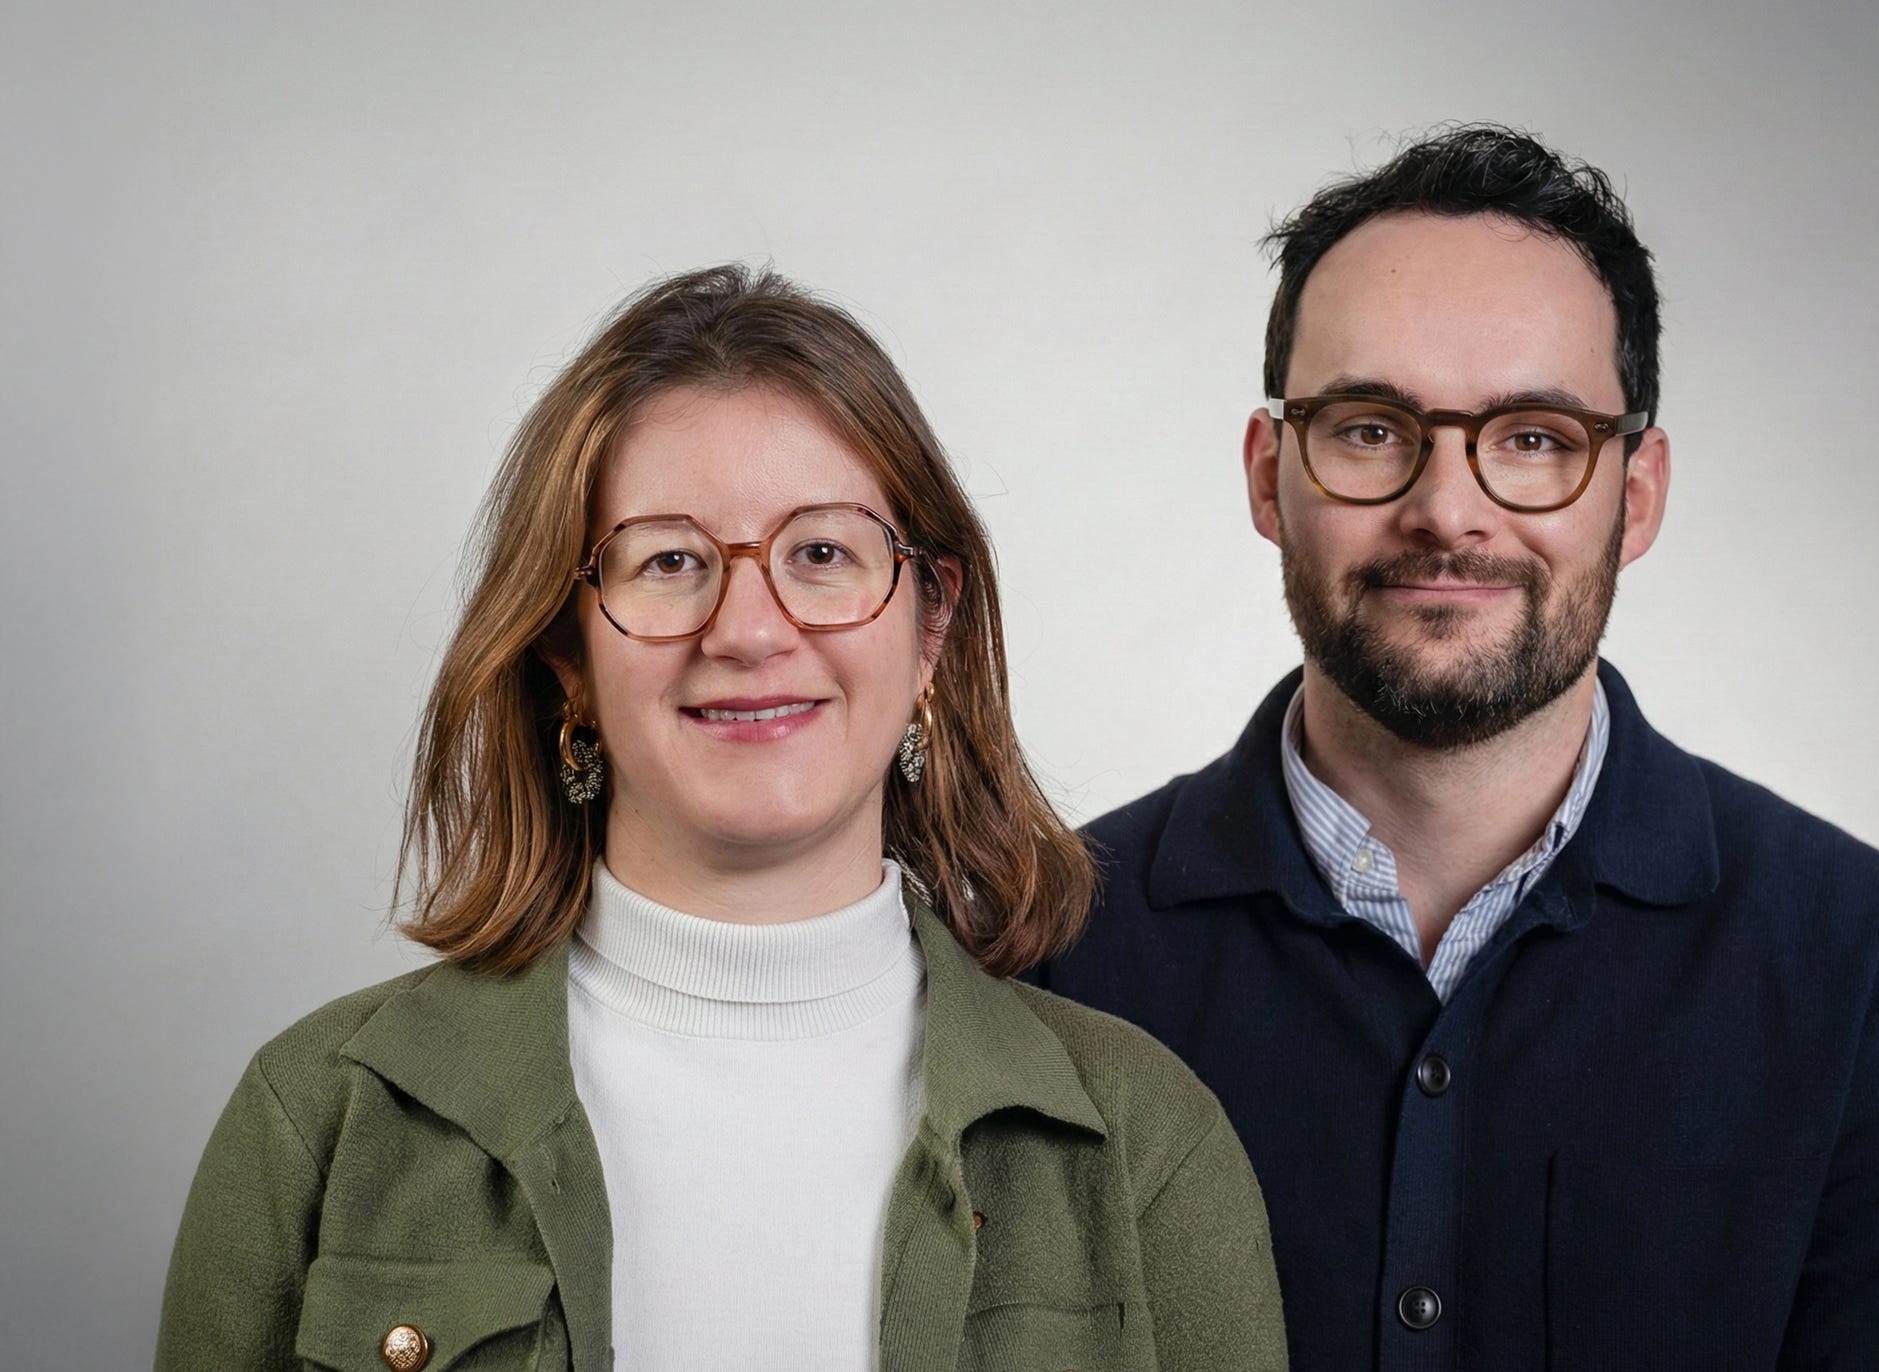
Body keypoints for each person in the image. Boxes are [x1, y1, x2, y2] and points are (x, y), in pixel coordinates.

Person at [1031, 125, 1879, 1369]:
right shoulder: (1051, 951)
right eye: (1368, 428)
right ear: (1265, 475)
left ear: (1638, 493)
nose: (1446, 510)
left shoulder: (1872, 976)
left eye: (1533, 438)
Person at [156, 265, 1287, 1371]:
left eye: (822, 553)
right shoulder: (321, 1119)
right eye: (670, 560)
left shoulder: (1144, 1139)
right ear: (567, 653)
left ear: (930, 625)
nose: (747, 629)